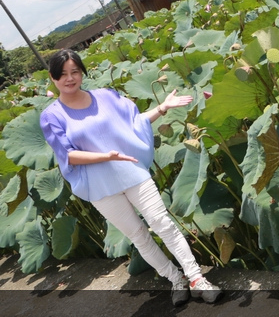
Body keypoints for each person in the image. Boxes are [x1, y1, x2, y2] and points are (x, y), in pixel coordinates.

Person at [40, 49, 222, 306]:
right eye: (63, 74)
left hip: (131, 172)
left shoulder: (105, 97)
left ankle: (196, 278)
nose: (70, 79)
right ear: (52, 77)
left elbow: (133, 123)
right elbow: (67, 155)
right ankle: (175, 279)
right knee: (138, 236)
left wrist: (161, 108)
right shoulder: (51, 115)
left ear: (81, 72)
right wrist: (107, 156)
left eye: (75, 72)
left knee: (163, 223)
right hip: (100, 187)